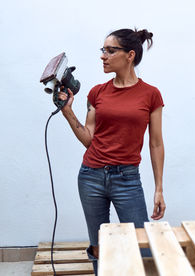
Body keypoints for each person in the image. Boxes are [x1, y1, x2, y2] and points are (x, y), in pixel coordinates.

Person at [58, 28, 166, 275]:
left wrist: (159, 188)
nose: (103, 56)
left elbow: (156, 143)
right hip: (90, 176)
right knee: (98, 246)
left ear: (129, 55)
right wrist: (67, 112)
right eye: (102, 50)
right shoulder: (97, 92)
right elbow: (89, 138)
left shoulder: (151, 94)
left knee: (143, 246)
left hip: (127, 179)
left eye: (110, 50)